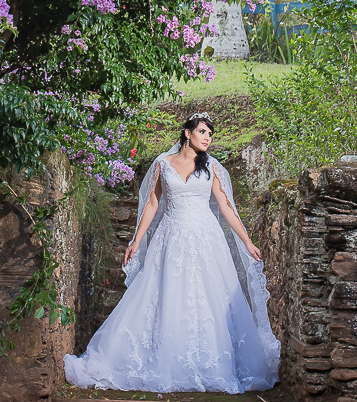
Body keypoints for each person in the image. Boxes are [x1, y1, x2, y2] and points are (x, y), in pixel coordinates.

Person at [63, 112, 280, 392]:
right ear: (187, 133)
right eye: (203, 132)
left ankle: (211, 364)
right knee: (165, 295)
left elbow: (226, 207)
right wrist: (136, 241)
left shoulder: (211, 167)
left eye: (210, 134)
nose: (207, 138)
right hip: (171, 238)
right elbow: (152, 203)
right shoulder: (163, 164)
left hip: (205, 238)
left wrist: (247, 241)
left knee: (209, 298)